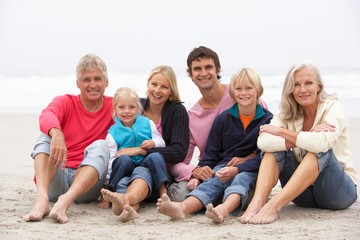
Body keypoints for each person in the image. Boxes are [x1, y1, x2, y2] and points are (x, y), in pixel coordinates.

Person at [239, 63, 358, 224]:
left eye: (308, 83)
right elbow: (264, 141)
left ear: (318, 86)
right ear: (290, 89)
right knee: (272, 149)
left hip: (338, 193)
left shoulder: (334, 108)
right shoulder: (287, 113)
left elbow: (322, 143)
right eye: (296, 84)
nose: (303, 89)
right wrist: (303, 137)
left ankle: (273, 206)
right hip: (302, 196)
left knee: (318, 149)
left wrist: (282, 133)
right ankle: (258, 202)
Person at [156, 68, 273, 222]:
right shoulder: (223, 119)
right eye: (238, 88)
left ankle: (223, 209)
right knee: (213, 180)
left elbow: (264, 156)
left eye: (249, 88)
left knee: (241, 179)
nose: (243, 93)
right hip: (223, 167)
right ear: (232, 92)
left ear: (258, 90)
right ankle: (182, 208)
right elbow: (210, 154)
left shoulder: (267, 120)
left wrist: (238, 168)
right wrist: (199, 175)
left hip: (252, 169)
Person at [168, 46, 268, 201]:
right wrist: (194, 171)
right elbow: (179, 161)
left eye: (208, 67)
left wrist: (248, 157)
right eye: (197, 69)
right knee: (179, 194)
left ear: (218, 70)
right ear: (190, 74)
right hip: (211, 171)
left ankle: (223, 198)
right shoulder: (192, 116)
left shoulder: (243, 94)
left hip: (246, 171)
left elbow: (266, 137)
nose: (203, 73)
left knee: (242, 188)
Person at [23, 54, 114, 224]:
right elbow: (47, 115)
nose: (92, 85)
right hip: (56, 176)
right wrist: (56, 133)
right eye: (86, 79)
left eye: (97, 79)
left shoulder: (115, 106)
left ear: (106, 82)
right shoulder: (65, 102)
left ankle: (65, 201)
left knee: (102, 145)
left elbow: (140, 116)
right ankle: (42, 201)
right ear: (78, 83)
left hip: (87, 185)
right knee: (45, 134)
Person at [100, 65, 189, 222]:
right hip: (128, 169)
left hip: (157, 170)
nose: (157, 90)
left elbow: (178, 152)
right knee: (124, 180)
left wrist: (140, 151)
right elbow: (113, 151)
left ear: (171, 90)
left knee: (143, 171)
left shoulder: (175, 111)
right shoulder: (136, 105)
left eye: (164, 86)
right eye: (154, 84)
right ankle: (127, 207)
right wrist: (106, 185)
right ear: (148, 84)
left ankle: (161, 195)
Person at [98, 87, 167, 209]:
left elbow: (161, 142)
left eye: (131, 107)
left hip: (145, 164)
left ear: (138, 108)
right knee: (123, 159)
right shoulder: (113, 132)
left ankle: (163, 193)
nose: (127, 111)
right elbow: (111, 160)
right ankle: (110, 192)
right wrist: (106, 183)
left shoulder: (147, 123)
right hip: (126, 167)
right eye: (121, 107)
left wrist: (152, 143)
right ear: (115, 109)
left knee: (156, 156)